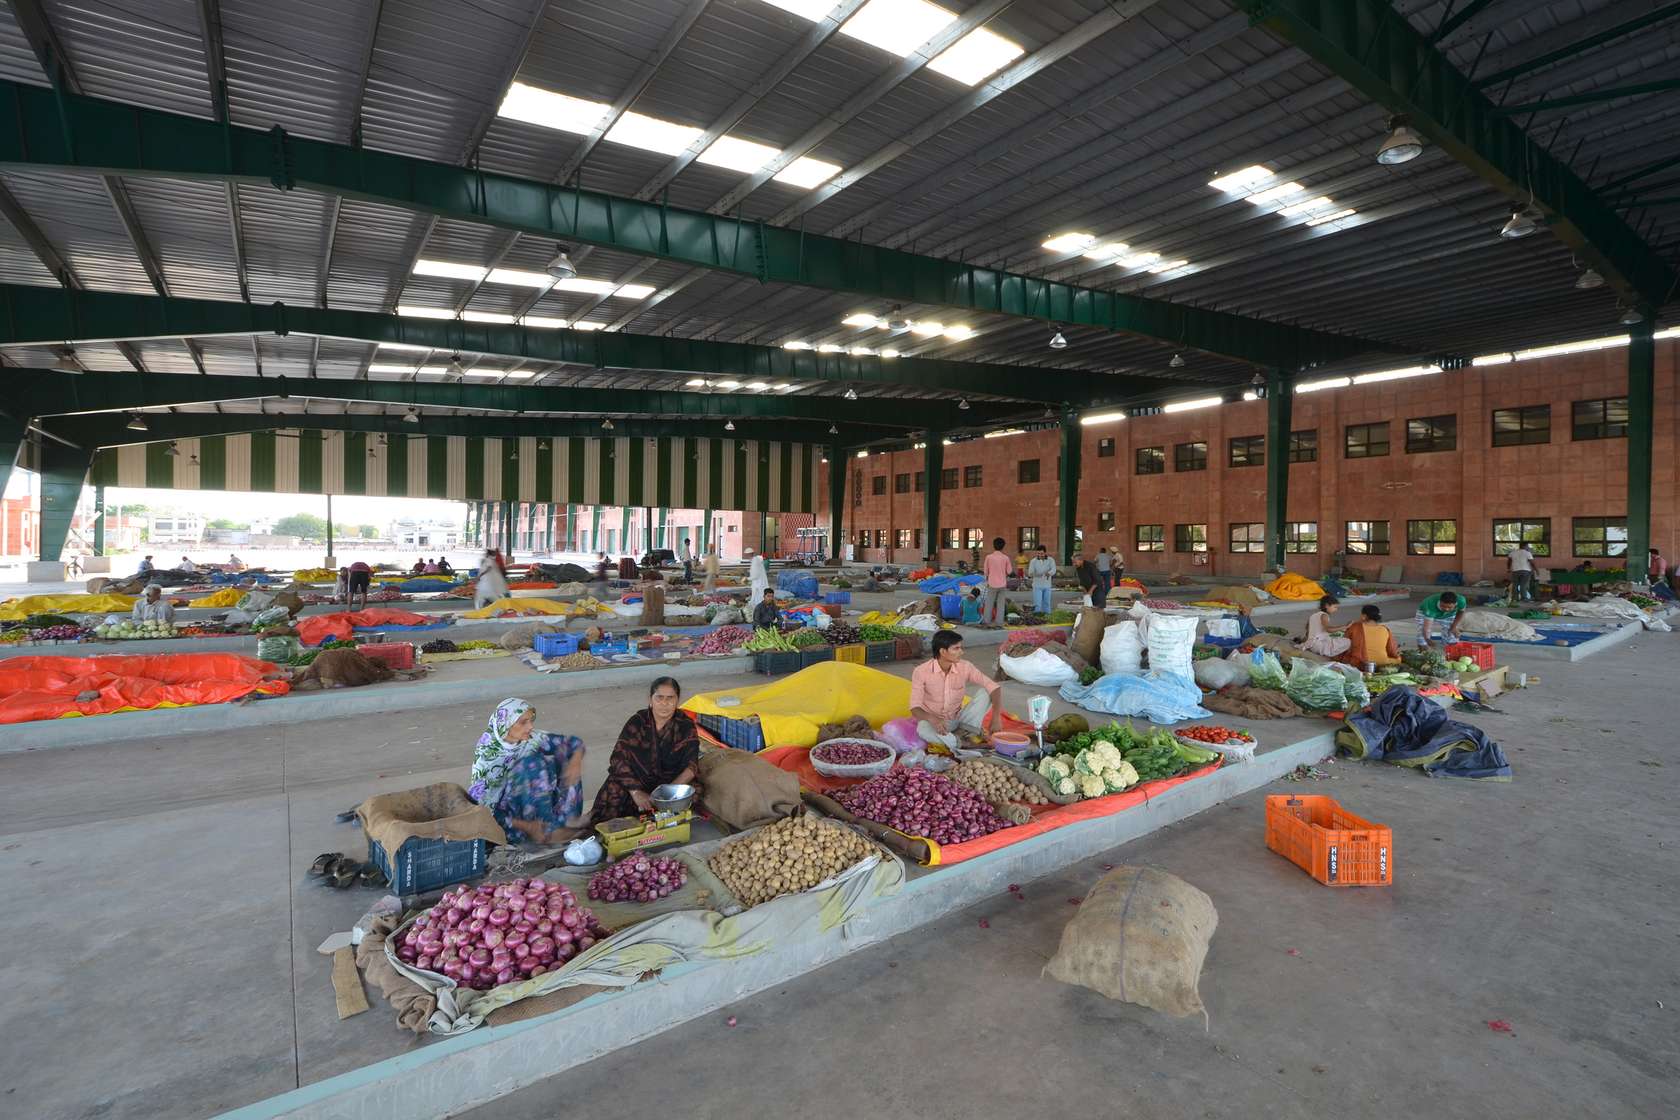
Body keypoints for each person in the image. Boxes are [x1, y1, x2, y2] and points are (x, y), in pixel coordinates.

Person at [468, 697, 586, 845]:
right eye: (523, 722)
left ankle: (564, 824)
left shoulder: (532, 738)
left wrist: (574, 764)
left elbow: (574, 743)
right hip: (510, 819)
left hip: (534, 806)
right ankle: (544, 832)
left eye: (531, 720)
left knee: (567, 759)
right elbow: (484, 811)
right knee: (531, 764)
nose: (530, 727)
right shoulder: (488, 756)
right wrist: (528, 826)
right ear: (506, 724)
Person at [589, 677, 700, 823]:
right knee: (614, 787)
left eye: (670, 698)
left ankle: (658, 816)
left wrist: (667, 794)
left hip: (669, 782)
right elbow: (618, 758)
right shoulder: (638, 721)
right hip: (638, 780)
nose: (664, 704)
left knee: (696, 792)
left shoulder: (685, 725)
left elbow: (691, 766)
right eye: (659, 698)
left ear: (677, 700)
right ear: (650, 699)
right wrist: (635, 792)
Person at [910, 630, 1002, 751]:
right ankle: (962, 743)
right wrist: (933, 719)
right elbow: (914, 708)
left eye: (960, 648)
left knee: (986, 692)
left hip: (959, 720)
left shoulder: (965, 666)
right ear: (943, 651)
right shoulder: (921, 671)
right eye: (956, 648)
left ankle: (961, 735)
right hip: (935, 723)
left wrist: (996, 717)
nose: (961, 652)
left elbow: (994, 687)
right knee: (922, 729)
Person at [1339, 604, 1401, 669]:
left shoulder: (1355, 627)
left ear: (1364, 616)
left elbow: (1343, 644)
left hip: (1362, 662)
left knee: (1344, 657)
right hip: (1382, 662)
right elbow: (1391, 649)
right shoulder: (1385, 629)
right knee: (1398, 659)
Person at [980, 536, 1012, 627]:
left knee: (989, 603)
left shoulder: (988, 557)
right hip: (1002, 584)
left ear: (993, 546)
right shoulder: (1006, 558)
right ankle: (999, 622)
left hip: (992, 584)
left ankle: (987, 621)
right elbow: (1009, 571)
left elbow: (986, 571)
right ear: (1003, 546)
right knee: (1000, 604)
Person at [1026, 544, 1057, 615]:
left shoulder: (1051, 560)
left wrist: (1049, 573)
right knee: (1037, 603)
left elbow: (1054, 569)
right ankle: (1037, 617)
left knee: (1047, 603)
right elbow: (1030, 573)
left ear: (1045, 552)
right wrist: (1035, 574)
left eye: (1042, 553)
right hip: (1037, 585)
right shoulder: (1033, 561)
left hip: (1047, 585)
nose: (1040, 555)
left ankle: (1047, 616)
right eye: (1038, 553)